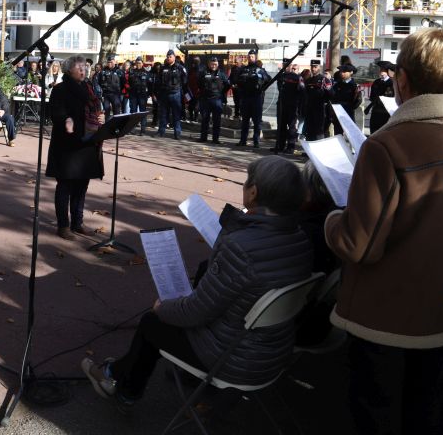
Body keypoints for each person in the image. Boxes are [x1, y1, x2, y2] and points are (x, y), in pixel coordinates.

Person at [325, 28, 443, 435]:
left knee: (378, 413)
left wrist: (332, 221)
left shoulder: (387, 146)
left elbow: (360, 245)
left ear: (402, 79)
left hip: (384, 318)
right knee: (425, 410)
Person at [82, 155, 312, 408]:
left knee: (153, 322)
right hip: (272, 353)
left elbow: (195, 312)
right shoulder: (300, 237)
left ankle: (122, 386)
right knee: (176, 307)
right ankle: (120, 376)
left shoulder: (241, 247)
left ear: (254, 192)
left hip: (235, 360)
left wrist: (162, 308)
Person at [47, 56, 104, 239]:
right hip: (67, 145)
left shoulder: (88, 88)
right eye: (79, 67)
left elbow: (96, 109)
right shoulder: (60, 89)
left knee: (82, 185)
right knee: (65, 185)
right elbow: (55, 113)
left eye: (84, 67)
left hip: (87, 143)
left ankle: (77, 222)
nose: (83, 70)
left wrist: (100, 117)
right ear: (69, 69)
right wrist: (66, 120)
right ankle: (63, 225)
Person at [233, 49, 270, 148]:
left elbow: (268, 79)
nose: (250, 58)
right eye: (249, 57)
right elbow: (237, 80)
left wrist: (261, 89)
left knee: (257, 122)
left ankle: (256, 141)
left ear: (255, 58)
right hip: (245, 98)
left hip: (256, 98)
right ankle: (243, 140)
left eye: (252, 56)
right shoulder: (243, 69)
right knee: (245, 121)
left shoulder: (260, 70)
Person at [197, 57, 230, 144]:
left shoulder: (221, 74)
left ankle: (215, 139)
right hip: (206, 99)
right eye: (212, 64)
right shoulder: (203, 73)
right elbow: (199, 83)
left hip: (217, 100)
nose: (213, 66)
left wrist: (221, 93)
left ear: (217, 64)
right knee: (205, 119)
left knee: (217, 120)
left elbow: (227, 84)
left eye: (215, 64)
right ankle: (203, 137)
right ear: (209, 64)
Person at [155, 49, 186, 140]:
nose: (168, 58)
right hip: (164, 94)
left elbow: (184, 80)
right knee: (163, 114)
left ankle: (177, 133)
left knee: (176, 114)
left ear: (174, 57)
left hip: (175, 94)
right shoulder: (163, 68)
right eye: (167, 57)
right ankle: (161, 132)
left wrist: (179, 88)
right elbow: (158, 81)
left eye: (170, 56)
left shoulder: (180, 68)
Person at [274, 63, 305, 154]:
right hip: (282, 104)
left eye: (295, 69)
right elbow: (280, 88)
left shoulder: (298, 78)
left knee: (291, 126)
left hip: (292, 105)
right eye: (292, 68)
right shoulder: (282, 76)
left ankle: (290, 147)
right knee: (281, 126)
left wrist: (299, 105)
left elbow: (302, 92)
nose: (293, 70)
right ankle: (280, 145)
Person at [331, 64, 362, 135]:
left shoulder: (354, 86)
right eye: (341, 71)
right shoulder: (337, 85)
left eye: (344, 71)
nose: (342, 73)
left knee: (351, 135)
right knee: (338, 134)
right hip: (338, 113)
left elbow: (358, 101)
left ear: (351, 72)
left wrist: (349, 107)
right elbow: (333, 98)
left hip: (349, 113)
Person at [367, 60, 395, 134]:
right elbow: (372, 96)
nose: (381, 72)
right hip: (376, 111)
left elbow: (393, 98)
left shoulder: (392, 83)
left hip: (386, 113)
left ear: (388, 71)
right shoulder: (376, 82)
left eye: (384, 70)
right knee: (373, 132)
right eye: (381, 70)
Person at [127, 58, 151, 134]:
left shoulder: (146, 72)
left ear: (142, 63)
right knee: (133, 112)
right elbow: (128, 83)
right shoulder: (132, 72)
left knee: (142, 112)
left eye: (140, 63)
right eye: (137, 63)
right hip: (133, 95)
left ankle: (142, 130)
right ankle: (132, 129)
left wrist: (148, 94)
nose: (138, 64)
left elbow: (150, 84)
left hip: (142, 95)